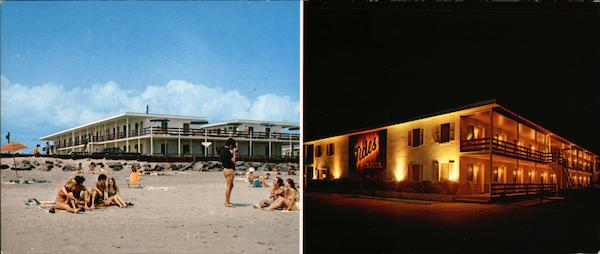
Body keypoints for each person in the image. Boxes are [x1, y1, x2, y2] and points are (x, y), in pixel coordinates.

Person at [220, 138, 237, 207]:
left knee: (231, 186)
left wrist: (232, 152)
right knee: (229, 186)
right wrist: (234, 153)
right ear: (230, 145)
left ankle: (228, 201)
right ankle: (227, 202)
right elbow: (233, 160)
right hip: (229, 170)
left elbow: (227, 159)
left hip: (225, 169)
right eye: (233, 146)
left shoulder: (223, 150)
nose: (233, 147)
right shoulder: (227, 151)